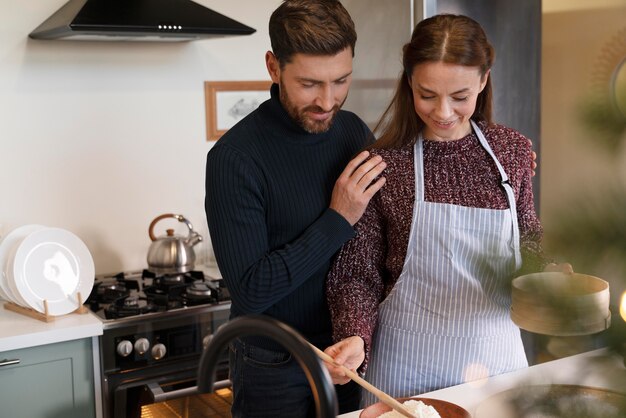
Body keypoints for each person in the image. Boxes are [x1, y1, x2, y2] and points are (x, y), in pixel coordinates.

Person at [323, 13, 572, 407]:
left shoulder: (513, 152)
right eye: (427, 94)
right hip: (405, 370)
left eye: (459, 97)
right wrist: (355, 334)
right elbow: (358, 272)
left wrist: (550, 275)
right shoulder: (385, 163)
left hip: (496, 364)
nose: (442, 112)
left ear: (483, 81)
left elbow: (527, 241)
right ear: (409, 82)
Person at [204, 1, 388, 416]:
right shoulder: (235, 158)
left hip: (346, 354)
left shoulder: (353, 131)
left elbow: (387, 228)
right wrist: (337, 219)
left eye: (341, 81)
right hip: (271, 363)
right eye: (309, 84)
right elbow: (251, 290)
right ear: (274, 67)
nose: (328, 100)